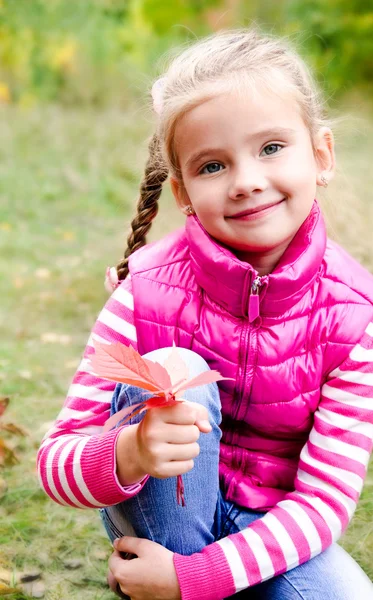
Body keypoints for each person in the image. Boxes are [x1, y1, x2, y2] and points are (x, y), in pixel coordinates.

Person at [37, 27, 373, 600]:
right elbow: (56, 461)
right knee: (174, 370)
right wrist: (129, 450)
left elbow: (324, 502)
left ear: (321, 155)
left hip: (268, 527)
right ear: (183, 191)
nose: (246, 182)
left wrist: (196, 579)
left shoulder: (353, 316)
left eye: (271, 148)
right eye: (212, 165)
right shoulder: (143, 293)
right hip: (158, 514)